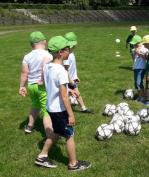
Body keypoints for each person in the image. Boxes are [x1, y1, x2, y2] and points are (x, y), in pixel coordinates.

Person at [35, 36, 91, 170]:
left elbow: (53, 86)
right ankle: (73, 163)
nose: (70, 51)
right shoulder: (60, 70)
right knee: (69, 134)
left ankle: (42, 156)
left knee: (57, 131)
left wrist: (69, 90)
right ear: (60, 52)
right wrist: (70, 114)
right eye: (68, 49)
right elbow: (63, 96)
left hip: (51, 106)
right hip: (59, 109)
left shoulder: (48, 65)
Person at [19, 31, 53, 137]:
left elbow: (25, 72)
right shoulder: (48, 54)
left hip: (32, 86)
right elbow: (45, 68)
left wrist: (21, 86)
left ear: (31, 45)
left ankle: (30, 125)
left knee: (35, 105)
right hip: (42, 86)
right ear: (45, 42)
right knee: (47, 110)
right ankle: (51, 133)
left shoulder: (27, 56)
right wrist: (43, 80)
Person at [63, 32, 94, 114]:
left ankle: (83, 108)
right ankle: (65, 111)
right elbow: (65, 70)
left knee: (77, 93)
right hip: (67, 79)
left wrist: (75, 76)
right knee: (65, 95)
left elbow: (72, 68)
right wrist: (70, 81)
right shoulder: (67, 55)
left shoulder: (71, 52)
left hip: (72, 78)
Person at [130, 35, 148, 103]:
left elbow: (146, 58)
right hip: (135, 67)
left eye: (135, 44)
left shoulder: (144, 49)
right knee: (136, 84)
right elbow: (133, 58)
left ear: (138, 43)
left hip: (141, 68)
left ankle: (143, 97)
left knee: (139, 83)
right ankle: (140, 96)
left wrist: (139, 53)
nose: (134, 45)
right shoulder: (135, 49)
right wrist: (134, 52)